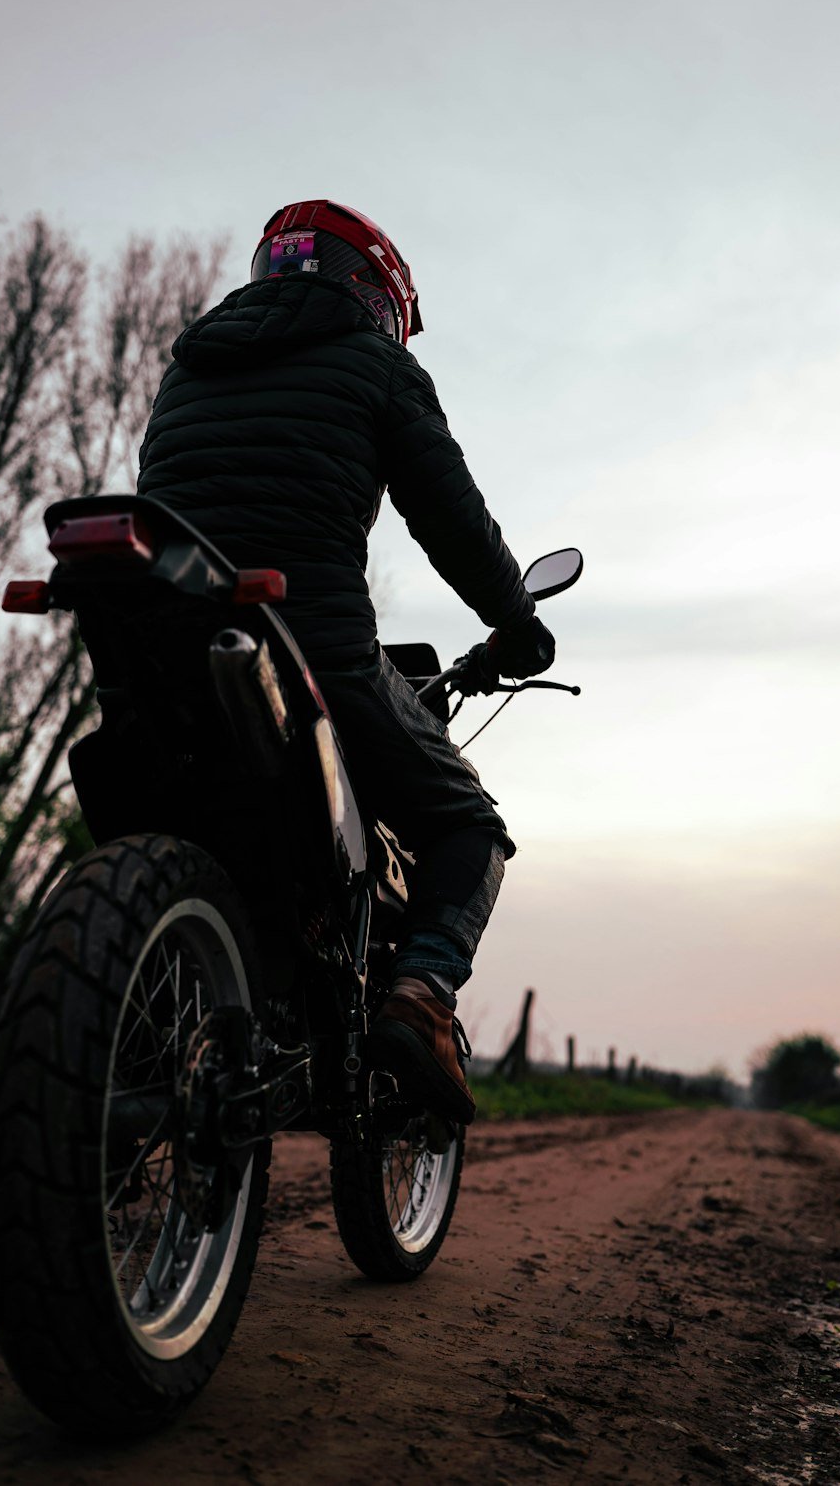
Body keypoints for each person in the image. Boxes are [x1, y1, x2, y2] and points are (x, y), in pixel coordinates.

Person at [137, 201, 555, 1124]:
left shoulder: (189, 365)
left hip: (165, 661)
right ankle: (421, 999)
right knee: (469, 826)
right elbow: (451, 518)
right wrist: (517, 620)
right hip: (316, 656)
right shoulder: (378, 365)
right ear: (376, 293)